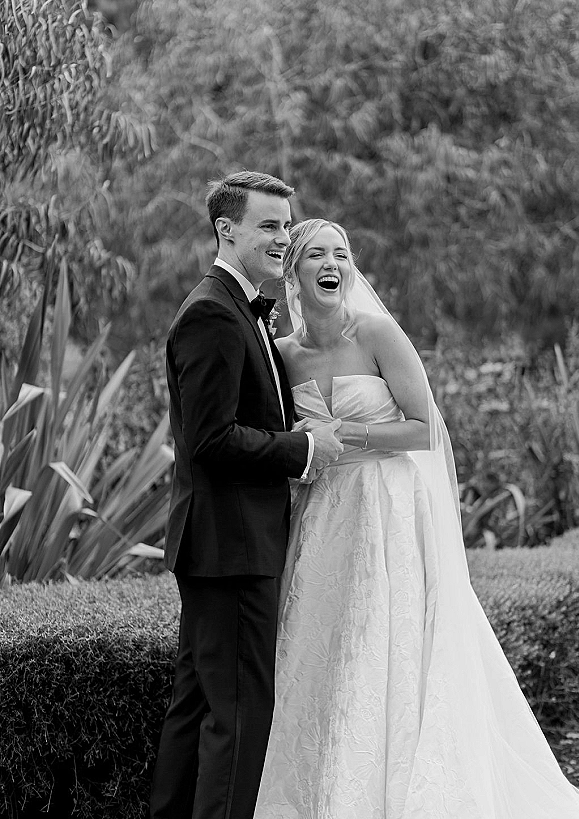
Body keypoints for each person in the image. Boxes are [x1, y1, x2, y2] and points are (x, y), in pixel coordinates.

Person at [254, 218, 579, 818]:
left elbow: (425, 428)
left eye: (341, 254)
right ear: (294, 273)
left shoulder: (376, 332)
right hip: (326, 512)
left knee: (388, 632)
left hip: (386, 504)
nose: (332, 263)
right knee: (323, 642)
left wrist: (343, 431)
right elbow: (284, 441)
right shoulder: (283, 355)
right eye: (316, 255)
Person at [149, 177, 343, 819]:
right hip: (231, 547)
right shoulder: (213, 311)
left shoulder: (241, 308)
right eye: (268, 226)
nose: (282, 238)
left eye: (286, 226)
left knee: (199, 706)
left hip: (227, 544)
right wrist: (301, 449)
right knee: (239, 713)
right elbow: (210, 440)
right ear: (227, 231)